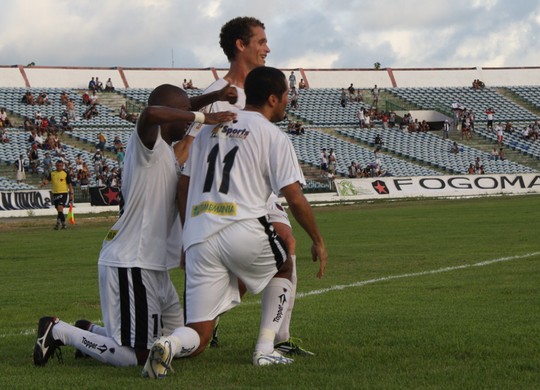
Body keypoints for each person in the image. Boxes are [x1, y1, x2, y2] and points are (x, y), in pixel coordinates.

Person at [32, 84, 237, 368]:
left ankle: (90, 331)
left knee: (177, 341)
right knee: (139, 357)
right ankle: (59, 331)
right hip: (132, 262)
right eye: (185, 115)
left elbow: (177, 107)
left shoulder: (164, 149)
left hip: (153, 266)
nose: (189, 118)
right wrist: (204, 118)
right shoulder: (147, 146)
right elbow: (152, 112)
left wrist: (213, 97)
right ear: (174, 118)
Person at [144, 66, 327, 378]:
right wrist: (319, 240)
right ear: (272, 98)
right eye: (285, 96)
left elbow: (185, 184)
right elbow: (294, 196)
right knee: (284, 262)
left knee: (200, 334)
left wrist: (188, 234)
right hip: (242, 225)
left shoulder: (208, 131)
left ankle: (169, 345)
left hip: (200, 235)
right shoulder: (271, 134)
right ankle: (266, 349)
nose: (287, 102)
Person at [39, 159, 74, 229]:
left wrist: (71, 193)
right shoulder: (52, 173)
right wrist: (43, 184)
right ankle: (59, 223)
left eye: (60, 166)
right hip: (55, 193)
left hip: (63, 193)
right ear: (55, 165)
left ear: (62, 166)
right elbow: (47, 180)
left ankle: (63, 224)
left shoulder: (65, 173)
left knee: (60, 207)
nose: (59, 167)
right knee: (58, 210)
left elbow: (70, 184)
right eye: (57, 166)